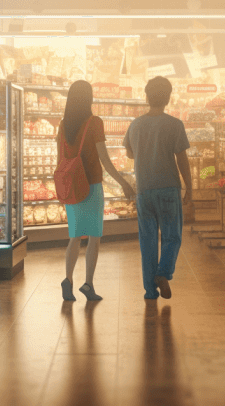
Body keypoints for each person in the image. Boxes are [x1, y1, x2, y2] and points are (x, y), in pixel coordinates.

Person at [57, 80, 136, 301]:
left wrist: (62, 187)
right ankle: (88, 284)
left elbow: (59, 161)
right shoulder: (95, 123)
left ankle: (67, 279)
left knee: (74, 236)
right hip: (91, 186)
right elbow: (105, 160)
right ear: (89, 98)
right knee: (93, 236)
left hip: (71, 187)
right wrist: (123, 182)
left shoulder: (63, 125)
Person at [123, 77, 193, 300]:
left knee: (148, 240)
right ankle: (163, 273)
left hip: (144, 189)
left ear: (146, 96)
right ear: (168, 98)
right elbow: (181, 159)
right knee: (172, 236)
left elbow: (129, 153)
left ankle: (149, 291)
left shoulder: (135, 125)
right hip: (169, 189)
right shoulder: (174, 125)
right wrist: (189, 186)